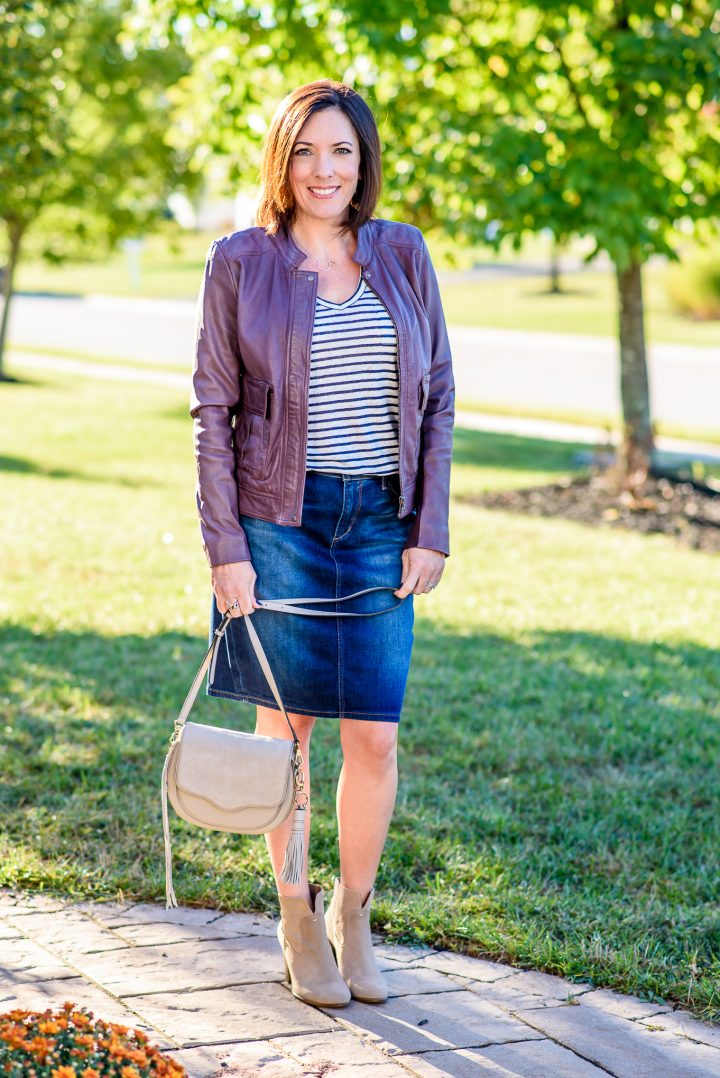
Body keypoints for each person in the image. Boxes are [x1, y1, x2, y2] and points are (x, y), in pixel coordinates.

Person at [190, 78, 454, 1009]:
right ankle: (295, 912)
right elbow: (211, 411)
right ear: (282, 161)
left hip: (382, 524)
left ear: (364, 160)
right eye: (305, 151)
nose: (323, 169)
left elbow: (439, 399)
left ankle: (354, 912)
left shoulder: (403, 254)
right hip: (278, 524)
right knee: (289, 736)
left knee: (374, 737)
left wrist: (431, 529)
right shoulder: (240, 261)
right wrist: (227, 548)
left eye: (340, 150)